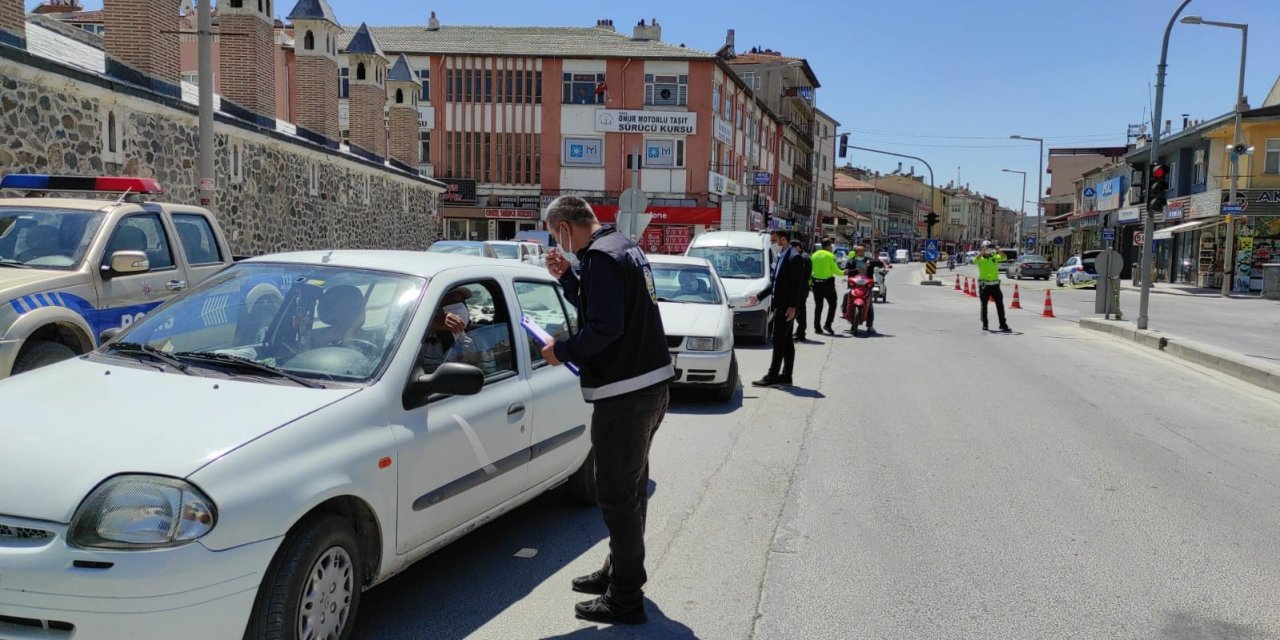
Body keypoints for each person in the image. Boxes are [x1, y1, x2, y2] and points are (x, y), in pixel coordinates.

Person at [540, 195, 674, 626]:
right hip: (649, 386)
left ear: (564, 228)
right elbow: (610, 307)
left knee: (617, 494)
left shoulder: (600, 257)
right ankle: (619, 572)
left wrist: (561, 350)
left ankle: (626, 596)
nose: (558, 246)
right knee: (630, 489)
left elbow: (605, 327)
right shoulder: (622, 246)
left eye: (554, 236)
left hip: (626, 394)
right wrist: (569, 281)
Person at [747, 229, 806, 387]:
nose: (773, 244)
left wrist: (793, 307)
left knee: (778, 341)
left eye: (774, 241)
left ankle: (772, 376)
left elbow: (797, 286)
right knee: (786, 341)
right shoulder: (781, 257)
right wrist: (759, 296)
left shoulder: (795, 258)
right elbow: (774, 284)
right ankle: (786, 376)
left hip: (787, 307)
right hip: (780, 305)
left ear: (784, 240)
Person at [974, 240, 1011, 332]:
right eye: (986, 247)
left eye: (989, 248)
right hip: (984, 286)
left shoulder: (994, 257)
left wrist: (998, 250)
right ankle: (985, 324)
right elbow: (975, 260)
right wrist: (983, 251)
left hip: (995, 285)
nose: (988, 249)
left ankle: (1003, 324)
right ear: (982, 248)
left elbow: (1004, 257)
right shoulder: (980, 259)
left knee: (1000, 305)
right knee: (984, 305)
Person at [845, 246, 882, 335]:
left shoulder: (868, 260)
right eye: (861, 251)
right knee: (846, 296)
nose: (862, 253)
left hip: (866, 286)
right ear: (856, 252)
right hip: (854, 285)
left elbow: (880, 264)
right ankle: (845, 313)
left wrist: (872, 262)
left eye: (864, 251)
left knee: (869, 304)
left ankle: (870, 325)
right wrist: (856, 270)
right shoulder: (851, 261)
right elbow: (847, 271)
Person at [810, 239, 841, 335]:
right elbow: (837, 271)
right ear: (828, 246)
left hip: (816, 284)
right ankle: (828, 324)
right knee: (833, 304)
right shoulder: (830, 256)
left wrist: (810, 283)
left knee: (818, 306)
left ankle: (817, 327)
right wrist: (845, 272)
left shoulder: (814, 255)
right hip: (827, 285)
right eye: (831, 246)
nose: (832, 248)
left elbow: (810, 270)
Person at [791, 240, 813, 342]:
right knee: (800, 310)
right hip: (802, 288)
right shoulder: (804, 256)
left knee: (800, 311)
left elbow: (801, 275)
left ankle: (801, 333)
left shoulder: (803, 257)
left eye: (793, 247)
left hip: (801, 288)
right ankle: (800, 332)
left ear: (798, 247)